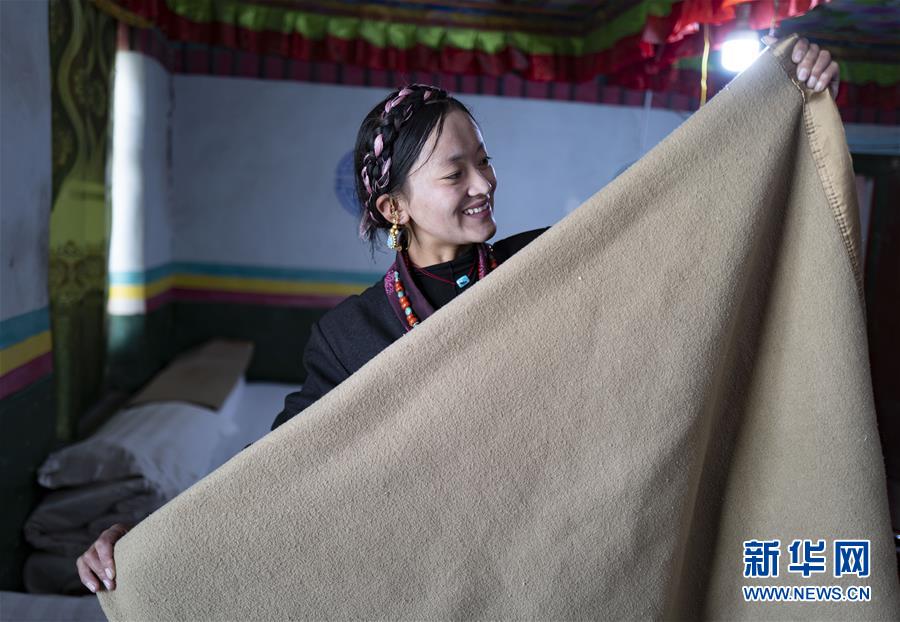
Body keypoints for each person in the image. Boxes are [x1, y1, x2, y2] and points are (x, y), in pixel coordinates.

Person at [76, 35, 839, 594]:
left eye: (485, 159)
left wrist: (776, 98)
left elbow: (678, 217)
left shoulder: (544, 264)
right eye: (455, 172)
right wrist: (147, 544)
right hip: (432, 578)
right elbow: (274, 479)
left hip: (560, 558)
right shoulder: (349, 336)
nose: (485, 183)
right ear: (394, 207)